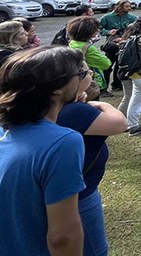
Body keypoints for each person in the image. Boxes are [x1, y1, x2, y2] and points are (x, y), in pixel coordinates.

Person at [0, 46, 88, 255]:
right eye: (79, 73)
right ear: (56, 88)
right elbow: (62, 236)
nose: (83, 76)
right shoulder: (62, 143)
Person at [57, 68, 128, 256]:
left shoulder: (59, 108)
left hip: (71, 192)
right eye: (83, 71)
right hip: (81, 196)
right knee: (95, 250)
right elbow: (120, 123)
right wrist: (99, 104)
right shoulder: (76, 111)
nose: (89, 72)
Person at [68, 16, 113, 98]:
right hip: (89, 82)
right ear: (89, 32)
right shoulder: (89, 48)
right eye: (96, 29)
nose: (98, 31)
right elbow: (106, 64)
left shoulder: (72, 42)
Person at [99, 0, 137, 91]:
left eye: (130, 6)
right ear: (120, 7)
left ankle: (117, 85)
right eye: (127, 6)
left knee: (120, 66)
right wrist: (108, 31)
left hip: (124, 46)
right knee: (107, 66)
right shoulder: (107, 17)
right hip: (111, 46)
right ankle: (103, 88)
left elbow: (137, 28)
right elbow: (99, 29)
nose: (129, 8)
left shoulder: (132, 17)